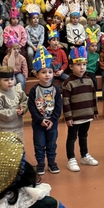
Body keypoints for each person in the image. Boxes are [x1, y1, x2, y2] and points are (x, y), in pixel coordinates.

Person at [62, 45, 99, 172]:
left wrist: (95, 111)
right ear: (71, 66)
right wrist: (68, 117)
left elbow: (93, 96)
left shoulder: (89, 80)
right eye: (78, 65)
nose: (82, 67)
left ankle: (84, 155)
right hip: (75, 117)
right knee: (72, 137)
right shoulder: (68, 83)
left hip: (87, 114)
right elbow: (66, 101)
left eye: (84, 64)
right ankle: (71, 159)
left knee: (84, 136)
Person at [28, 46, 63, 175]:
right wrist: (40, 120)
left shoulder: (56, 90)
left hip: (52, 123)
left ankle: (52, 163)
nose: (47, 75)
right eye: (43, 72)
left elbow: (58, 107)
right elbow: (32, 107)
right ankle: (41, 164)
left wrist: (53, 120)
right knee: (39, 144)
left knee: (51, 144)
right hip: (39, 123)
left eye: (49, 72)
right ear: (37, 74)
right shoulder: (34, 90)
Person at [0, 66, 28, 142]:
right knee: (6, 148)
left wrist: (23, 109)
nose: (10, 82)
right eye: (6, 80)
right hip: (5, 129)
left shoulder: (17, 91)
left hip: (18, 127)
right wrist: (14, 112)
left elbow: (25, 101)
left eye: (12, 79)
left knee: (19, 147)